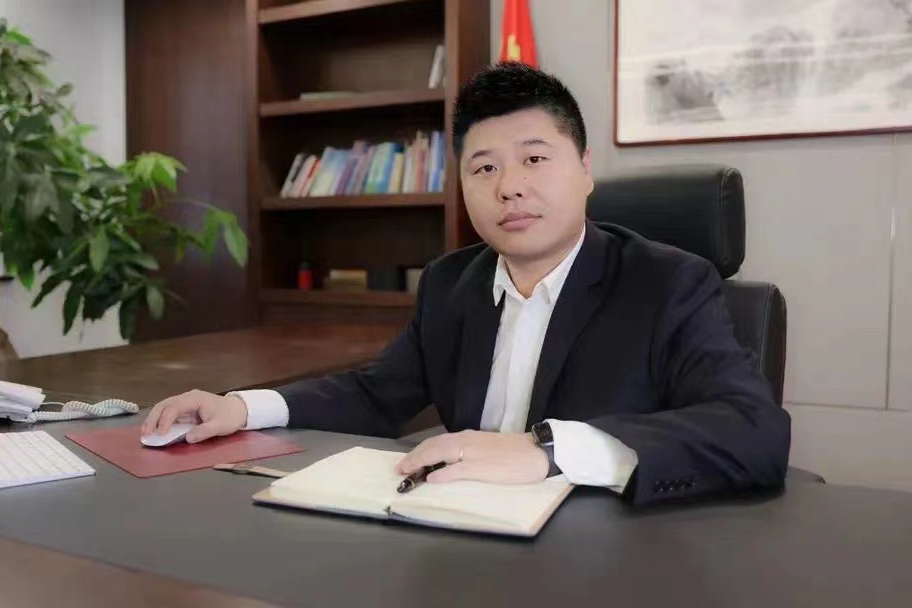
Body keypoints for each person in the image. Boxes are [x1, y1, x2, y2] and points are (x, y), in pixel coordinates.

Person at [143, 62, 791, 505]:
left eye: (534, 158)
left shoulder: (669, 282)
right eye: (484, 168)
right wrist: (242, 407)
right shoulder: (452, 282)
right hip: (463, 542)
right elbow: (376, 393)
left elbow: (753, 429)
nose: (509, 186)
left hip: (604, 558)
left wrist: (548, 452)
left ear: (585, 168)